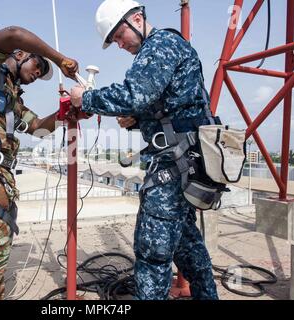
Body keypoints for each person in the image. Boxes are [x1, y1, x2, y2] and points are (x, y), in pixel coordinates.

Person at [70, 0, 219, 300]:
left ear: (137, 18)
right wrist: (139, 119)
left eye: (118, 35)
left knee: (152, 254)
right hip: (186, 161)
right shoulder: (167, 47)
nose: (119, 44)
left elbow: (134, 94)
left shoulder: (160, 45)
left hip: (172, 166)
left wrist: (84, 99)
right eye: (113, 41)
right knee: (186, 245)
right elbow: (177, 107)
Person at [0, 26, 78, 300]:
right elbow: (12, 33)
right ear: (21, 54)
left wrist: (66, 113)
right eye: (38, 64)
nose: (38, 73)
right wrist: (59, 60)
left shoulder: (10, 97)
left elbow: (37, 128)